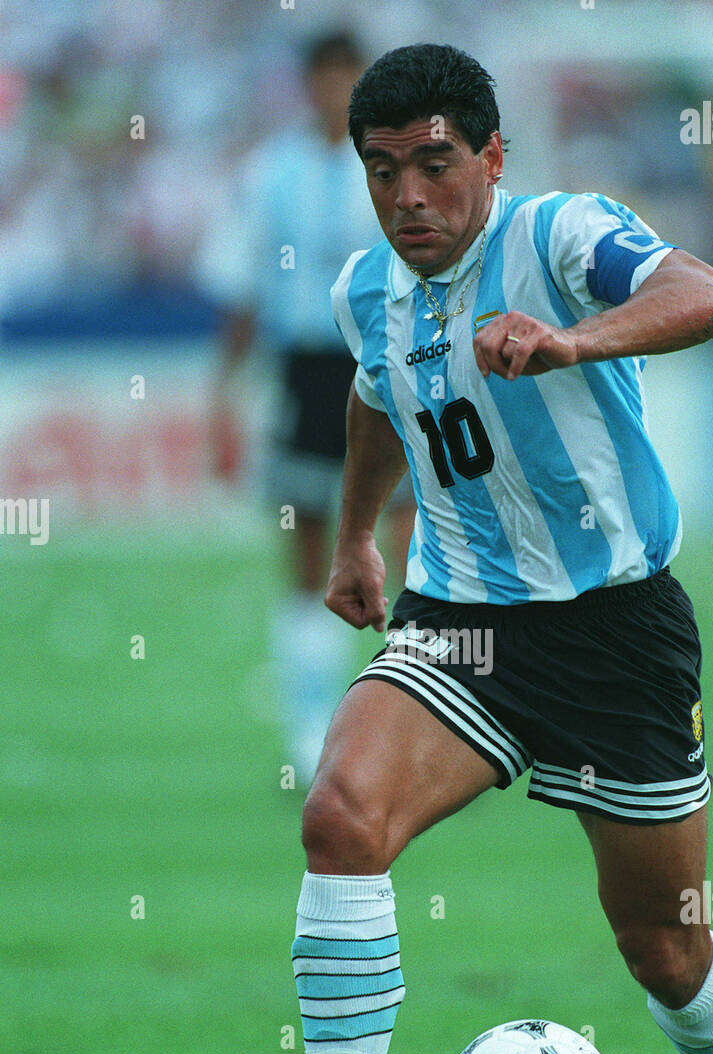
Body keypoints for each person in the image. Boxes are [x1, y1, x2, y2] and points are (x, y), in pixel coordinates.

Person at [241, 43, 713, 1054]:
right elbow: (376, 398)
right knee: (339, 813)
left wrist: (571, 341)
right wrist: (356, 542)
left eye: (433, 164)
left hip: (615, 634)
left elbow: (710, 292)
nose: (407, 197)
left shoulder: (562, 233)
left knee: (660, 948)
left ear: (490, 154)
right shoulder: (362, 290)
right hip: (461, 625)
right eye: (381, 171)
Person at [201, 31, 415, 782]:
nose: (335, 92)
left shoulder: (394, 170)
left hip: (388, 363)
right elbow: (242, 295)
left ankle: (417, 729)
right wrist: (223, 398)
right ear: (306, 85)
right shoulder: (269, 176)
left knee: (411, 539)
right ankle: (307, 734)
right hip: (306, 372)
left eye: (347, 79)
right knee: (306, 548)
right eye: (324, 79)